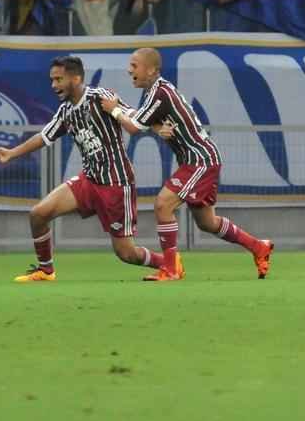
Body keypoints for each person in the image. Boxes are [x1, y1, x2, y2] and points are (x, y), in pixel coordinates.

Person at [0, 56, 169, 282]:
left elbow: (133, 115)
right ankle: (46, 271)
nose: (54, 85)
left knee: (126, 253)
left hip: (116, 183)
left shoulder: (101, 97)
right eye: (52, 80)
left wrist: (159, 127)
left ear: (76, 78)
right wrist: (12, 153)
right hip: (89, 181)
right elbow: (44, 136)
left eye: (58, 79)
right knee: (38, 214)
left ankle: (169, 264)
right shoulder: (66, 111)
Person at [101, 47, 273, 281]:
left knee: (163, 204)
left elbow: (133, 127)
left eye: (134, 65)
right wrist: (146, 122)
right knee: (207, 222)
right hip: (199, 159)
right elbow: (143, 119)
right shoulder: (157, 92)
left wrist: (114, 110)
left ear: (151, 69)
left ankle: (171, 269)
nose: (129, 69)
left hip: (200, 160)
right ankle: (258, 247)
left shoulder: (159, 93)